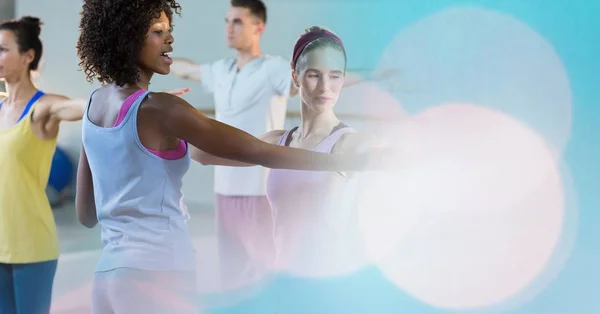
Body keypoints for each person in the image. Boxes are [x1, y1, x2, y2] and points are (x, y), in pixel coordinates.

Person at [74, 1, 384, 313]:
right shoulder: (163, 109)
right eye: (158, 32)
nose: (170, 39)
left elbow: (86, 214)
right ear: (127, 37)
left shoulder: (92, 107)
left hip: (108, 277)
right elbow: (259, 151)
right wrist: (337, 161)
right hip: (158, 273)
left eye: (169, 31)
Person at [194, 25, 393, 314]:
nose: (325, 87)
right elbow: (203, 154)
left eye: (335, 76)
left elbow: (390, 154)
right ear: (295, 78)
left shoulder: (347, 143)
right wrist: (179, 118)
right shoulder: (277, 142)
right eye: (314, 75)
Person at [0, 16, 87, 314]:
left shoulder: (42, 108)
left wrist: (136, 102)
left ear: (28, 56)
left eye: (2, 49)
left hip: (31, 246)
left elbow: (82, 107)